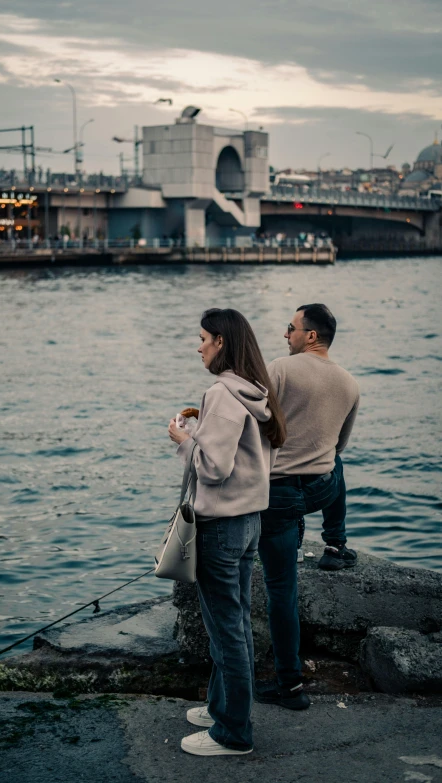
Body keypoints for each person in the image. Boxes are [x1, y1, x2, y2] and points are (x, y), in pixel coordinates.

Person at [168, 308, 286, 757]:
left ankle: (232, 733)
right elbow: (247, 460)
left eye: (202, 338)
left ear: (221, 342)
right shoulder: (257, 391)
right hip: (250, 522)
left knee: (226, 630)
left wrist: (182, 440)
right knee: (233, 621)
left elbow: (214, 469)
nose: (198, 346)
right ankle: (222, 705)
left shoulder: (221, 392)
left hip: (220, 527)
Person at [255, 303, 360, 711]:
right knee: (336, 462)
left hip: (279, 495)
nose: (286, 335)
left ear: (310, 336)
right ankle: (335, 544)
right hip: (319, 490)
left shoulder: (281, 368)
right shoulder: (350, 383)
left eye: (291, 328)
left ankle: (290, 686)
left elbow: (257, 425)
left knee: (281, 588)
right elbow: (340, 446)